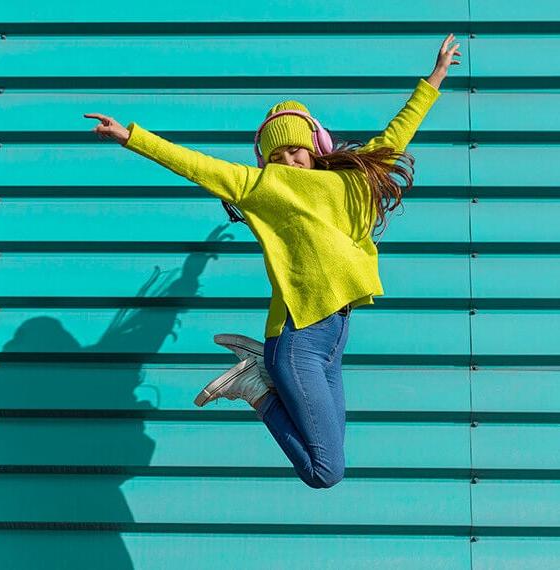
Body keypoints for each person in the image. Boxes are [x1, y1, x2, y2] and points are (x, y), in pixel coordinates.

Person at [84, 33, 461, 489]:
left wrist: (436, 76)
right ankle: (255, 388)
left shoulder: (351, 181)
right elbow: (196, 165)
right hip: (297, 339)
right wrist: (130, 137)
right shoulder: (263, 187)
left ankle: (254, 371)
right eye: (277, 155)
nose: (288, 161)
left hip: (332, 338)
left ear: (316, 147)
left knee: (334, 451)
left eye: (296, 150)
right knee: (326, 472)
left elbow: (396, 134)